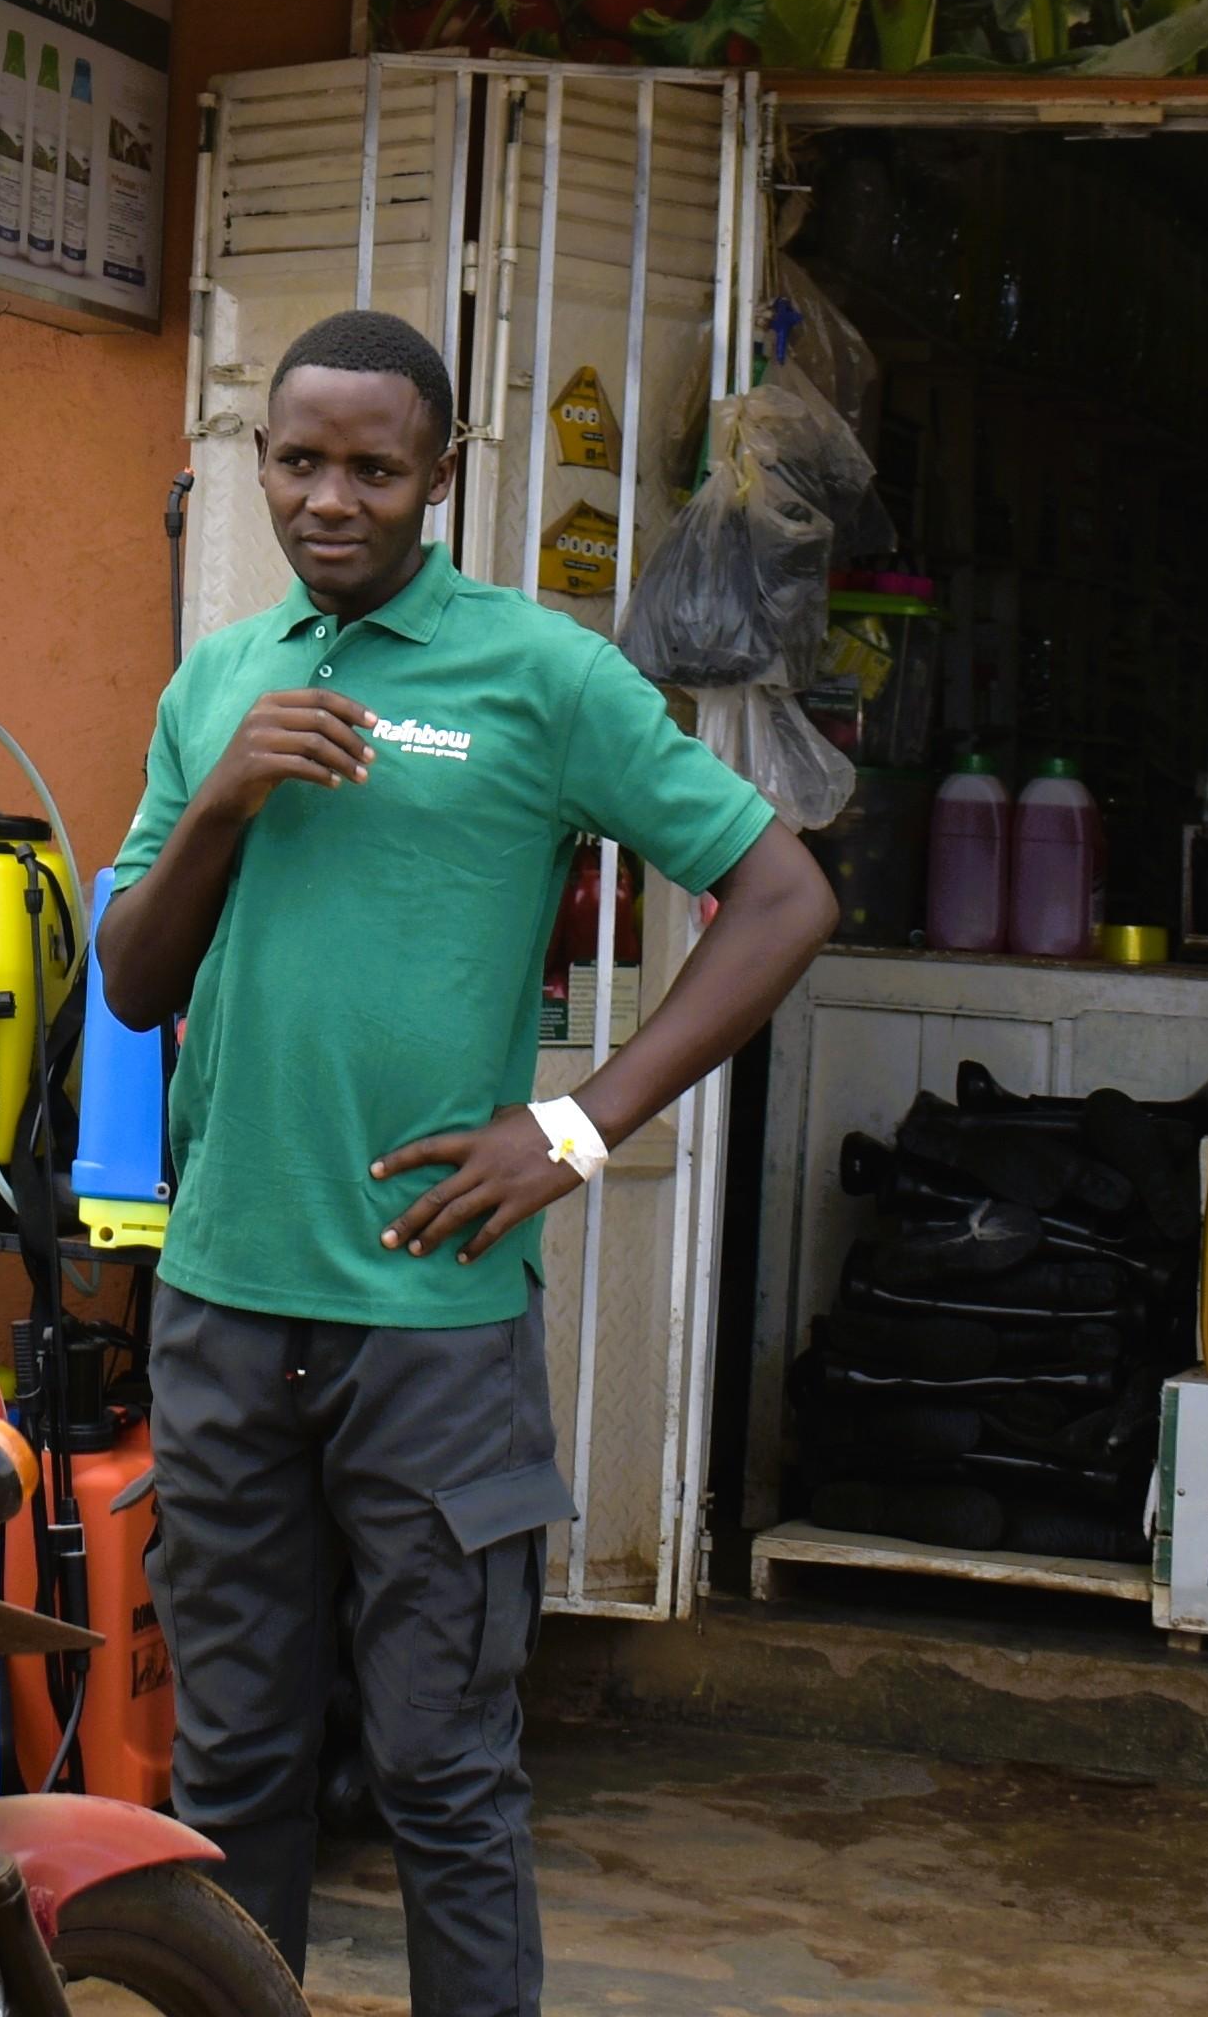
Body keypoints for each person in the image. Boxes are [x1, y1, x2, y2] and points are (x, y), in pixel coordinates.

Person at [98, 308, 837, 2017]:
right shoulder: (220, 680)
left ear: (442, 473)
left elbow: (784, 897)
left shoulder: (543, 675)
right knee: (233, 1776)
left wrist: (573, 1125)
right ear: (258, 464)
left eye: (373, 467)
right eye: (300, 461)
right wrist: (222, 800)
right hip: (221, 1305)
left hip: (433, 1328)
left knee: (444, 1772)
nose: (331, 499)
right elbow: (136, 983)